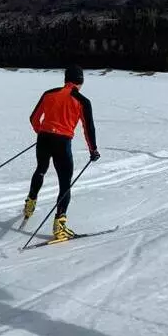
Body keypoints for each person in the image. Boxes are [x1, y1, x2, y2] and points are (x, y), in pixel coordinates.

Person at [24, 65, 100, 240]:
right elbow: (89, 128)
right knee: (65, 184)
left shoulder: (49, 93)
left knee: (41, 169)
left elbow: (34, 118)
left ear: (65, 79)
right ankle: (59, 225)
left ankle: (30, 202)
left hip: (44, 139)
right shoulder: (82, 101)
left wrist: (41, 132)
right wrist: (93, 150)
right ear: (80, 81)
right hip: (62, 143)